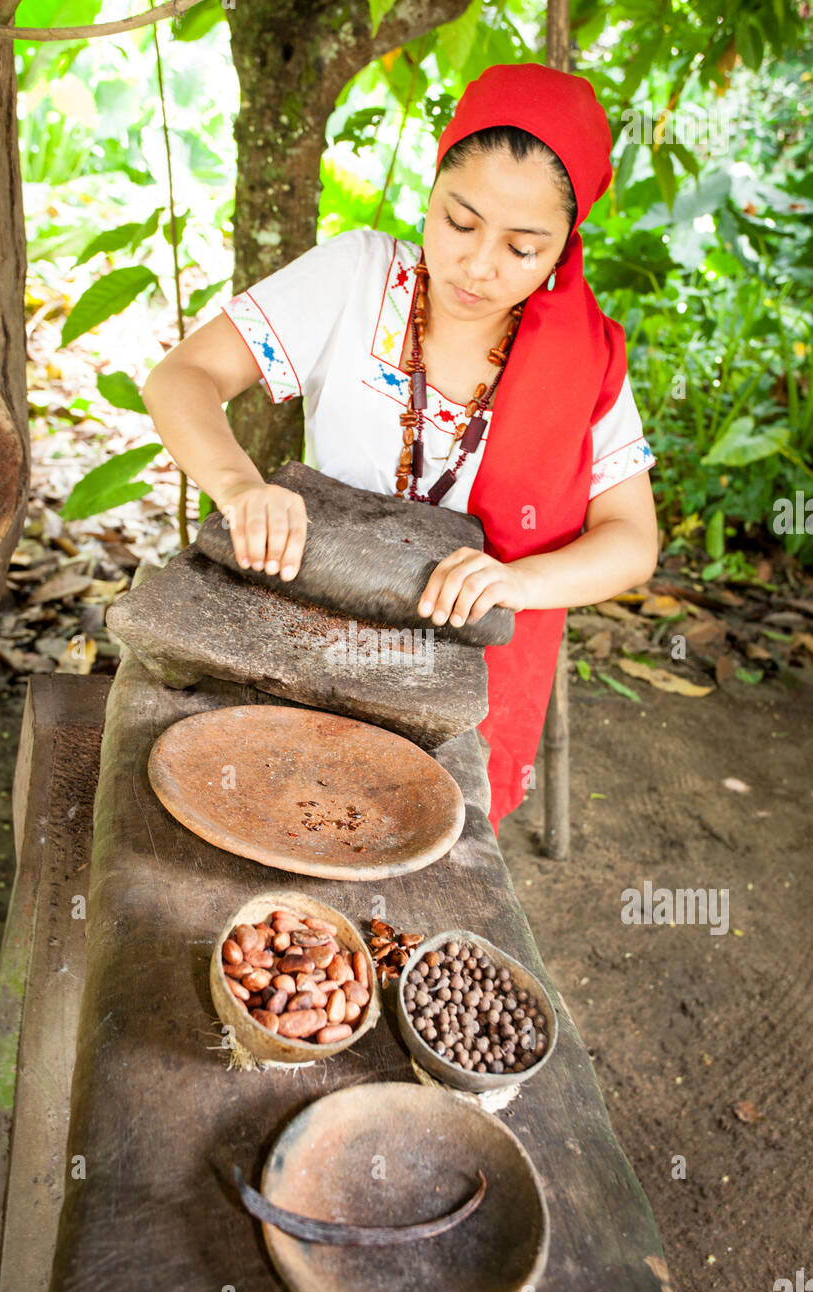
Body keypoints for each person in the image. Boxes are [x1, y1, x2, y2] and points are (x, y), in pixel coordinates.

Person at [141, 63, 659, 834]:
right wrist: (239, 486)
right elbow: (181, 377)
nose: (479, 266)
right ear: (433, 188)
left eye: (524, 248)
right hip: (302, 629)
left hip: (455, 678)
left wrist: (514, 582)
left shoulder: (583, 361)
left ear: (563, 248)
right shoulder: (357, 278)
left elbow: (631, 541)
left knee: (412, 851)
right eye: (459, 221)